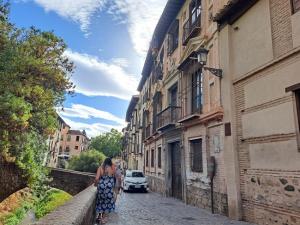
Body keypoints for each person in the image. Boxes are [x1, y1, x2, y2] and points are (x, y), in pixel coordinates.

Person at [94, 158, 115, 224]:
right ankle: (104, 219)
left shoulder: (100, 168)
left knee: (101, 201)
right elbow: (114, 177)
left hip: (102, 187)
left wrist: (95, 184)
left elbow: (97, 178)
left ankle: (100, 216)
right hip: (109, 188)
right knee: (107, 203)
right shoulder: (112, 168)